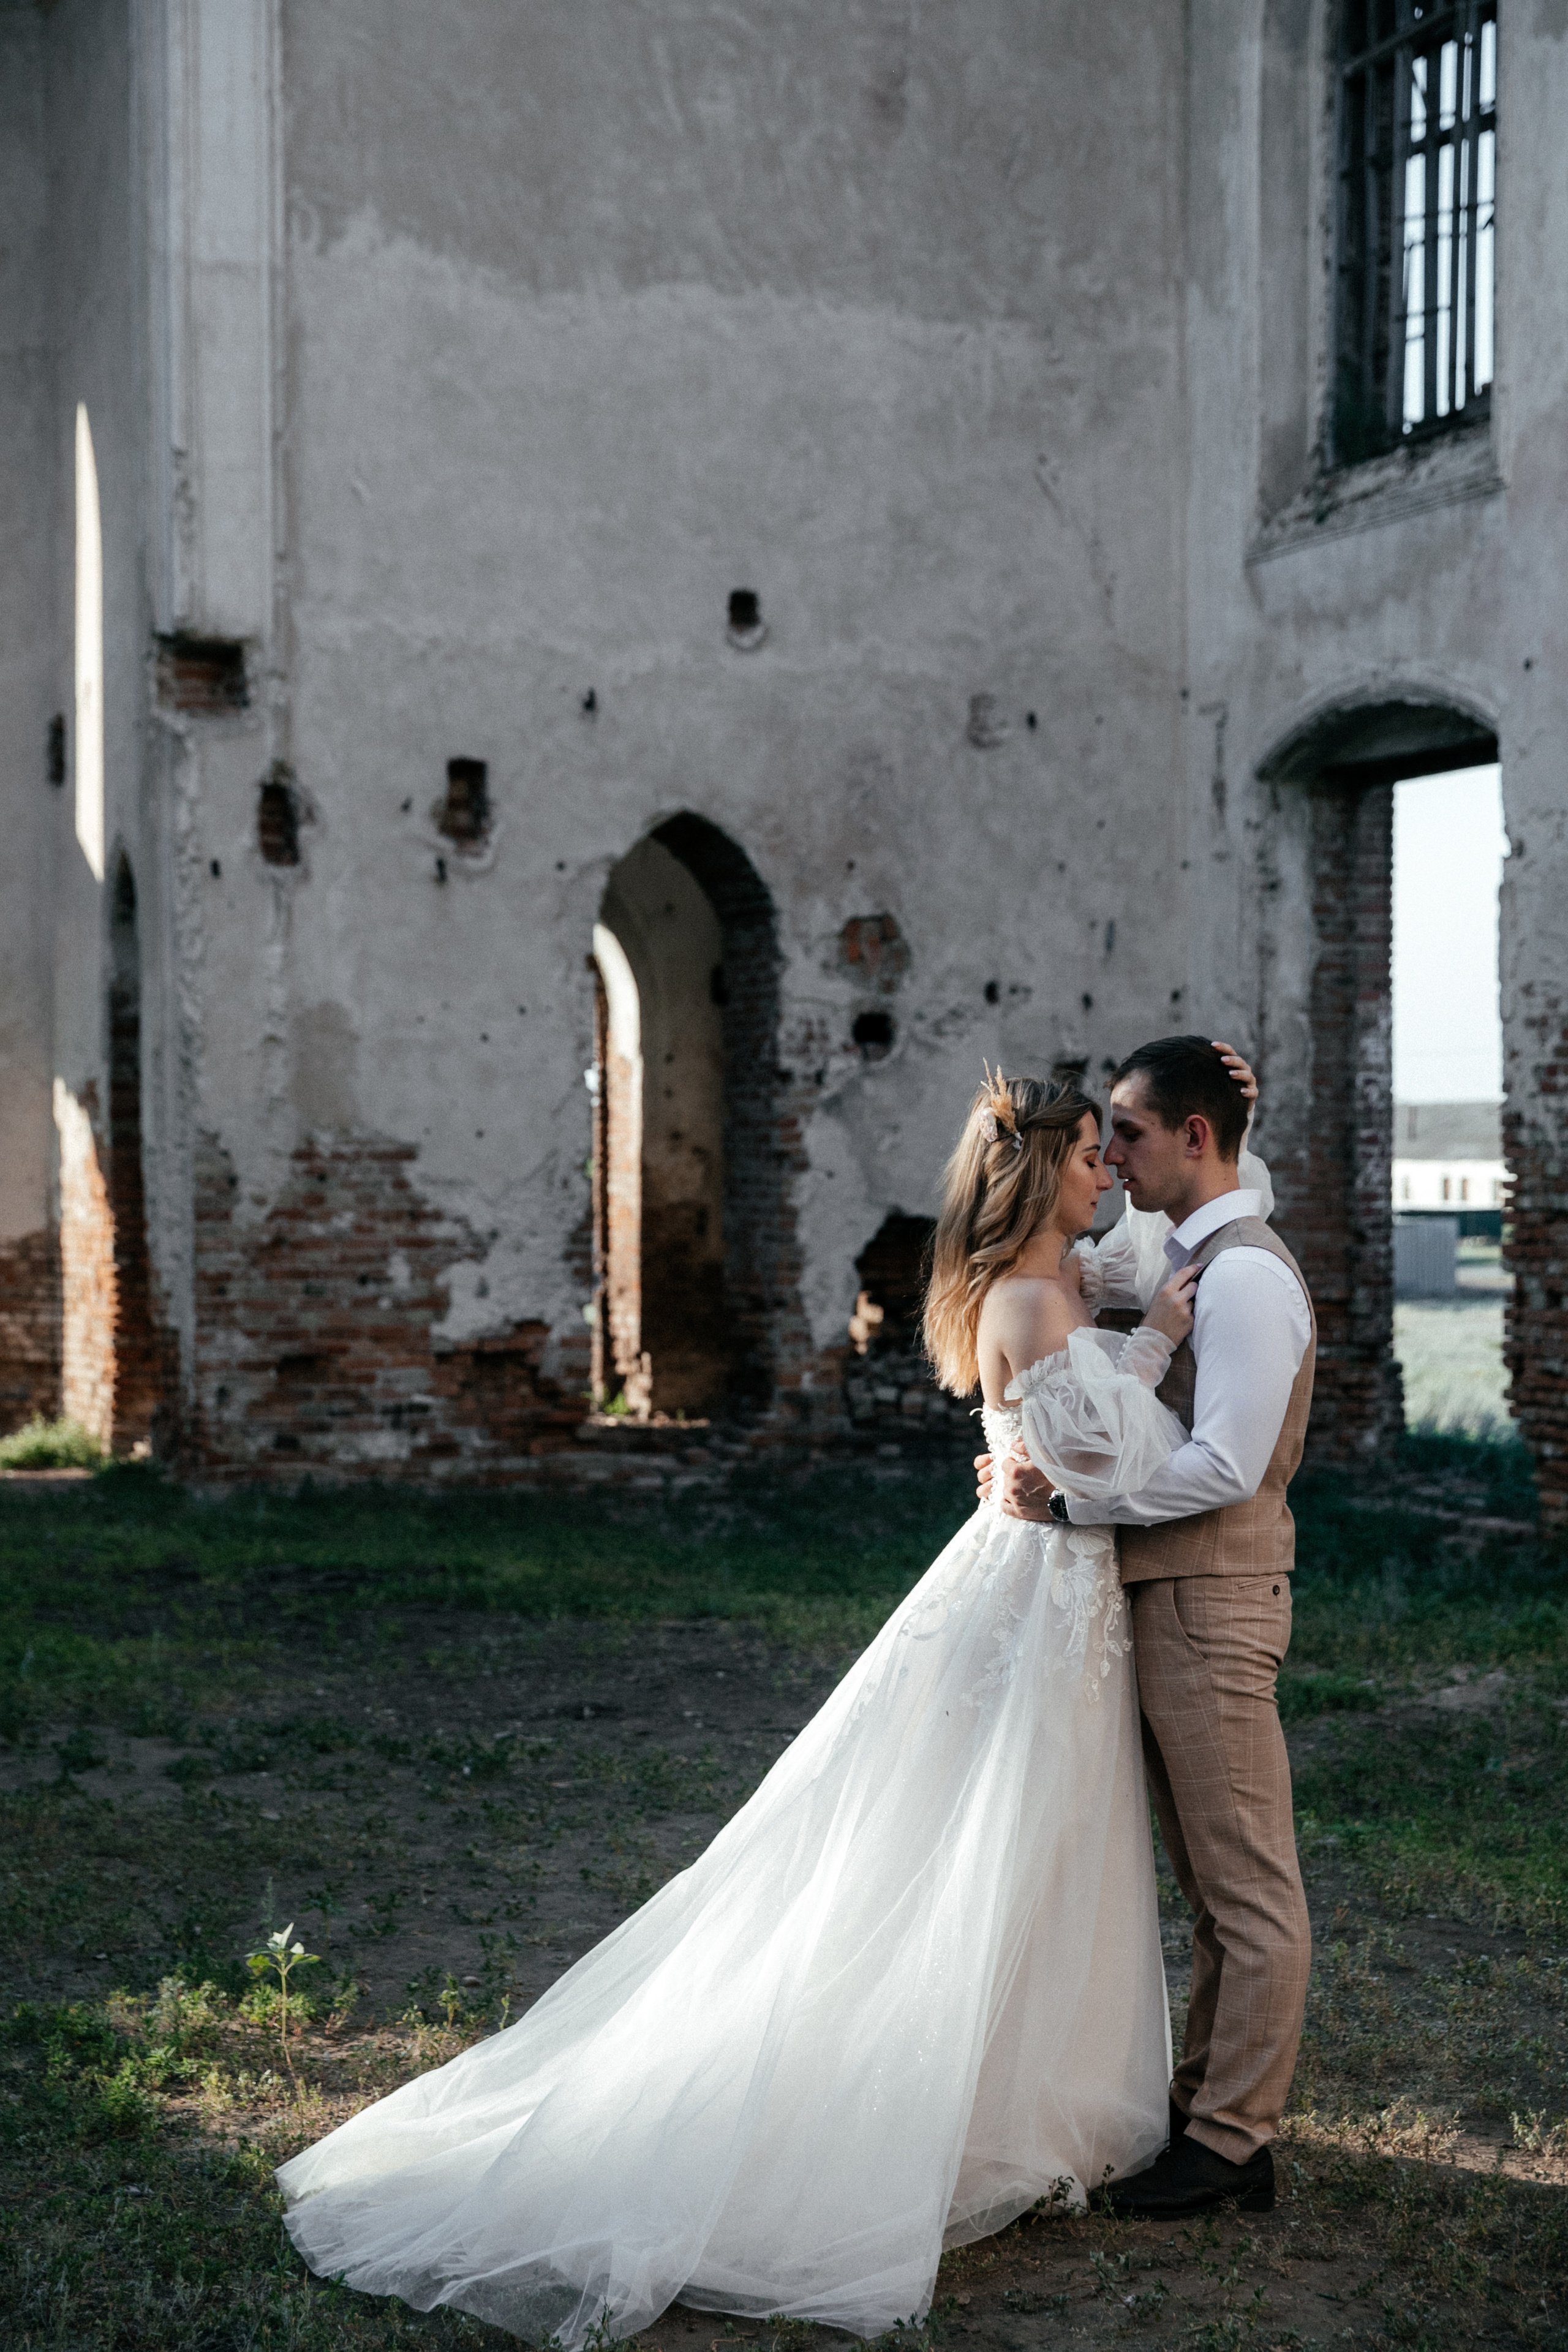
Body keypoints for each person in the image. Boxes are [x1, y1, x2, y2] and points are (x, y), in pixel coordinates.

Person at [276, 1072, 1202, 2347]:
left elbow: (1120, 1310)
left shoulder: (1044, 1283)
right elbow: (1116, 1462)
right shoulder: (1038, 1296)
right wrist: (1150, 1341)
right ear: (1041, 1175)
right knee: (991, 1839)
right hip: (1039, 1594)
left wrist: (1152, 1270)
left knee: (1023, 1843)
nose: (1107, 1176)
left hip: (1036, 1583)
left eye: (1114, 1156)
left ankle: (1020, 2101)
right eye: (1091, 1159)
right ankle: (956, 2118)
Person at [978, 1035, 1314, 2220]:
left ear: (1194, 1139)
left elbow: (1224, 1463)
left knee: (1249, 1887)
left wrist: (1072, 1500)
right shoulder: (1180, 1257)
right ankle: (1207, 2115)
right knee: (1211, 1883)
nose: (1111, 1157)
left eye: (1129, 1132)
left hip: (1216, 1603)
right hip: (1163, 1600)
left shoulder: (1246, 1280)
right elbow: (1085, 1282)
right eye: (1098, 1139)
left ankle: (1231, 2147)